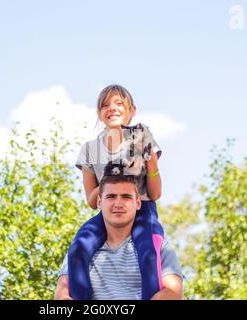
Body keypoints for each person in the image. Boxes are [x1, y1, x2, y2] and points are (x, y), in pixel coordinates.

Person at [68, 84, 166, 300]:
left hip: (142, 208)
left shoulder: (141, 135)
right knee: (77, 249)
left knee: (148, 251)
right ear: (99, 113)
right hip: (109, 211)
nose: (111, 108)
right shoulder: (89, 149)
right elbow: (92, 201)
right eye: (105, 105)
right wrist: (111, 179)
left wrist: (149, 161)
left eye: (119, 103)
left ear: (132, 109)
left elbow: (156, 193)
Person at [55, 174, 183, 300]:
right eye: (111, 197)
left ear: (138, 203)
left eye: (126, 197)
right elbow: (62, 295)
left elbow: (173, 293)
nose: (118, 203)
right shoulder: (80, 247)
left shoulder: (159, 245)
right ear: (99, 202)